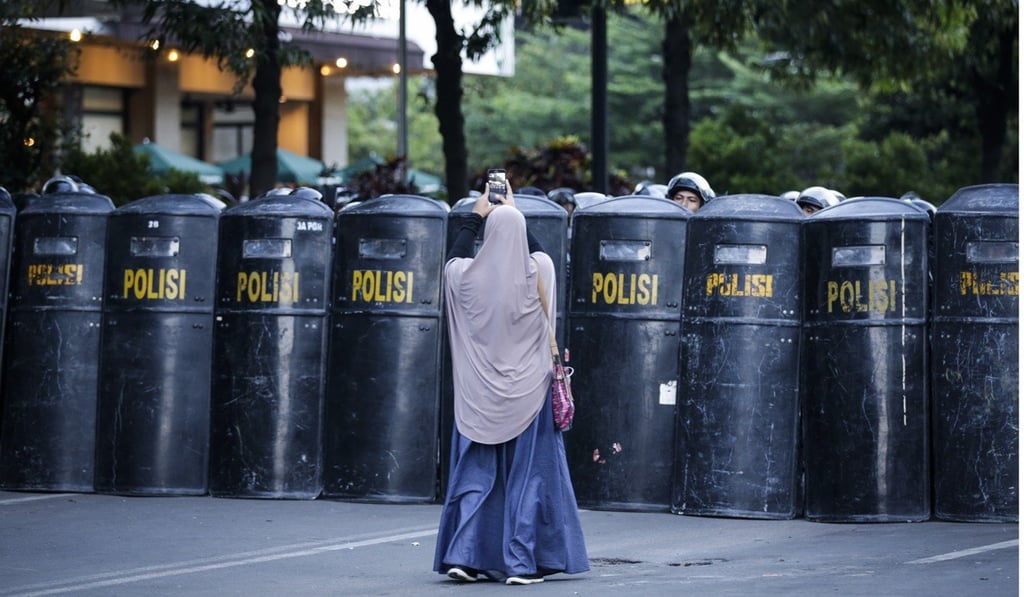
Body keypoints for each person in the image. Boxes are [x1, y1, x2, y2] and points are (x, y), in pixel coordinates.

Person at [434, 179, 589, 586]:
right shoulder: (541, 272)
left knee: (476, 476)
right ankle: (524, 564)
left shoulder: (463, 277)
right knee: (529, 480)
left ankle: (465, 558)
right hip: (529, 397)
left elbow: (454, 256)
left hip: (478, 400)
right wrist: (514, 211)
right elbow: (537, 250)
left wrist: (475, 218)